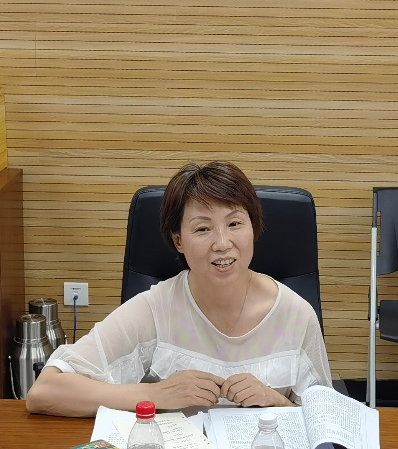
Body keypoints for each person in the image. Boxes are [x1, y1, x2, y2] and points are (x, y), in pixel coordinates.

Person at [26, 161, 333, 417]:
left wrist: (277, 402)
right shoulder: (155, 308)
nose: (222, 243)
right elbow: (45, 392)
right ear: (179, 241)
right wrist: (155, 394)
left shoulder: (296, 314)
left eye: (235, 224)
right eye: (203, 228)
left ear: (253, 227)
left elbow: (328, 420)